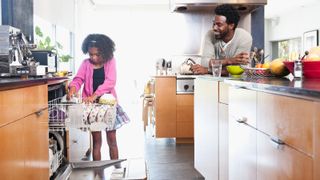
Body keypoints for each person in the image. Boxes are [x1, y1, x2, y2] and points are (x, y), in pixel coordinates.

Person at [67, 34, 123, 161]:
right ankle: (98, 172)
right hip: (92, 109)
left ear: (105, 52)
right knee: (96, 141)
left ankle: (116, 169)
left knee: (112, 140)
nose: (93, 57)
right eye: (91, 54)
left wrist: (94, 95)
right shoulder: (85, 64)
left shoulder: (110, 61)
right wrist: (73, 88)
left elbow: (110, 82)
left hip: (108, 106)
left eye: (97, 54)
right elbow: (78, 79)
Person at [191, 4, 253, 75]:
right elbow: (205, 62)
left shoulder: (244, 37)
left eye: (219, 25)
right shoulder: (210, 34)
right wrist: (229, 61)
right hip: (213, 82)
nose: (214, 28)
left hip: (236, 82)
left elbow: (239, 69)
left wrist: (208, 70)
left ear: (231, 26)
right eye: (214, 24)